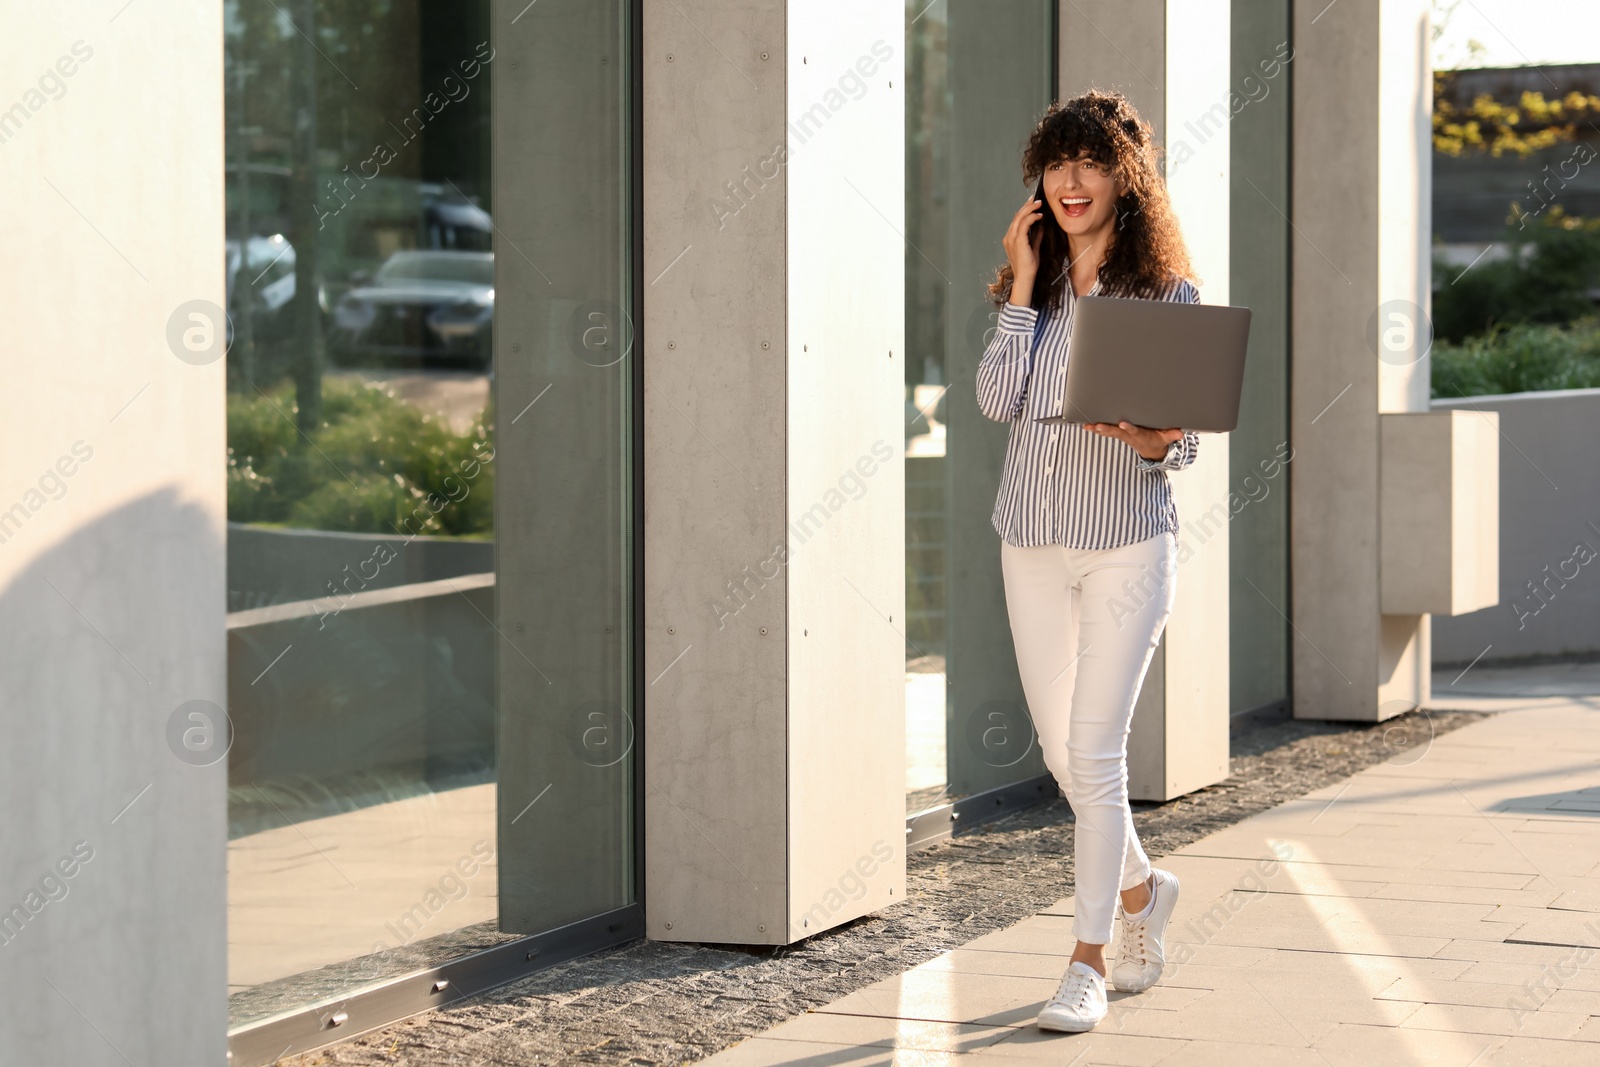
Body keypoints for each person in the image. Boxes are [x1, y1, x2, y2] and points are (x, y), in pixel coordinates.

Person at [975, 89, 1198, 1034]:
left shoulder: (1167, 298)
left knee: (1096, 752)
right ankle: (1147, 890)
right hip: (1029, 539)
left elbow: (1180, 446)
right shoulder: (1038, 289)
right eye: (1057, 163)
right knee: (1064, 753)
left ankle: (1089, 959)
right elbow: (994, 399)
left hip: (1127, 548)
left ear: (1124, 178)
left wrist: (1147, 435)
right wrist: (1023, 286)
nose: (1071, 180)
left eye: (1091, 161)